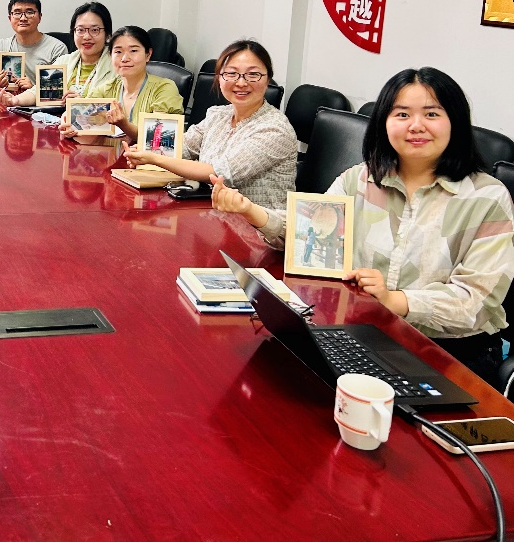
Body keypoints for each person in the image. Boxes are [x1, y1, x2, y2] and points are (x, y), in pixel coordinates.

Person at [212, 67, 514, 385]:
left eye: (431, 114)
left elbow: (477, 300)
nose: (416, 125)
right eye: (402, 114)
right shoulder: (362, 178)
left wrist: (395, 300)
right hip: (364, 332)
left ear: (455, 121)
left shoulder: (487, 198)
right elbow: (310, 232)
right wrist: (250, 210)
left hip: (450, 354)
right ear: (384, 122)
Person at [123, 39, 296, 209]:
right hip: (210, 211)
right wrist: (146, 150)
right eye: (231, 73)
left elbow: (218, 173)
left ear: (268, 79)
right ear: (219, 77)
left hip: (255, 224)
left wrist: (154, 158)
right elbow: (183, 147)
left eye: (253, 74)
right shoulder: (217, 114)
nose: (241, 82)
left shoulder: (275, 129)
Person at [60, 26, 183, 142]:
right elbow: (81, 115)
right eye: (118, 52)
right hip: (113, 153)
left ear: (148, 54)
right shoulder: (108, 88)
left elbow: (157, 139)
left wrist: (124, 125)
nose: (124, 58)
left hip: (147, 157)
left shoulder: (164, 89)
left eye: (133, 51)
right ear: (110, 56)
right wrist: (68, 121)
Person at [0, 1, 118, 109]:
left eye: (95, 30)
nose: (86, 37)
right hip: (61, 122)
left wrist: (83, 104)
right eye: (80, 30)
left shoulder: (118, 65)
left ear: (107, 34)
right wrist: (15, 100)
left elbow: (123, 106)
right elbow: (38, 91)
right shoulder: (64, 61)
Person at [0, 0, 67, 91]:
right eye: (17, 13)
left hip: (37, 100)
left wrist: (33, 88)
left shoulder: (56, 48)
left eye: (29, 12)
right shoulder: (1, 45)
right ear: (10, 18)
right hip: (7, 98)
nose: (23, 18)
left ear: (40, 17)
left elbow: (56, 89)